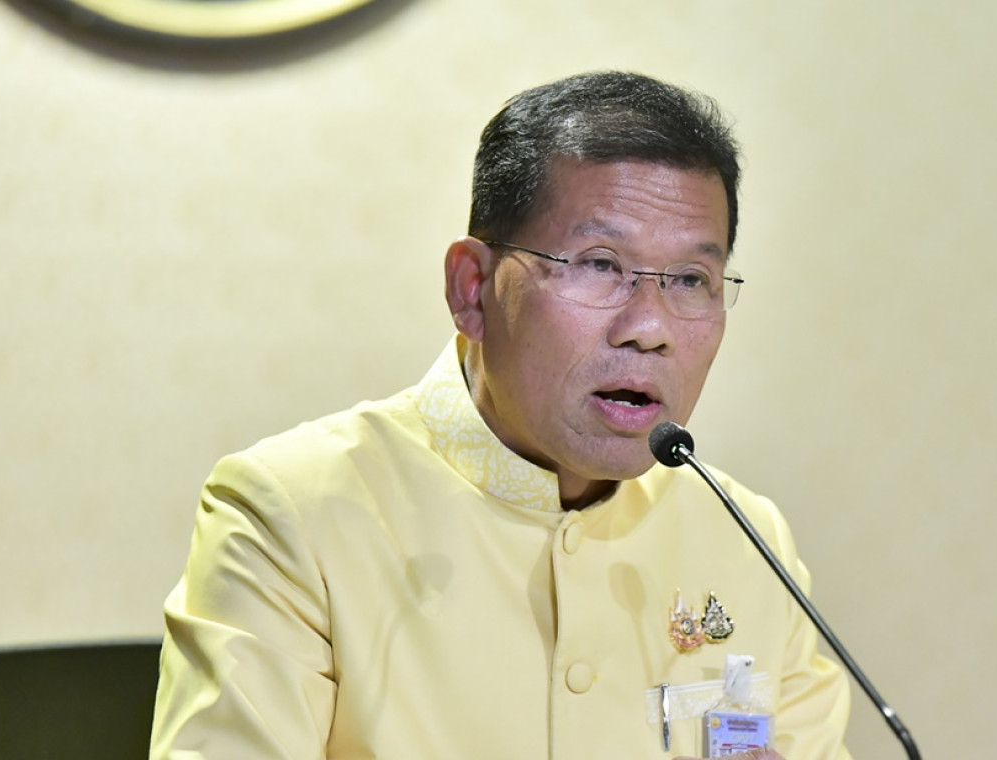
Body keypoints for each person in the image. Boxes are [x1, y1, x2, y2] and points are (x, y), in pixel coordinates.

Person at [150, 71, 852, 759]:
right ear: (473, 288)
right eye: (601, 264)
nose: (649, 328)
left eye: (691, 279)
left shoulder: (748, 540)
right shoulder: (292, 515)